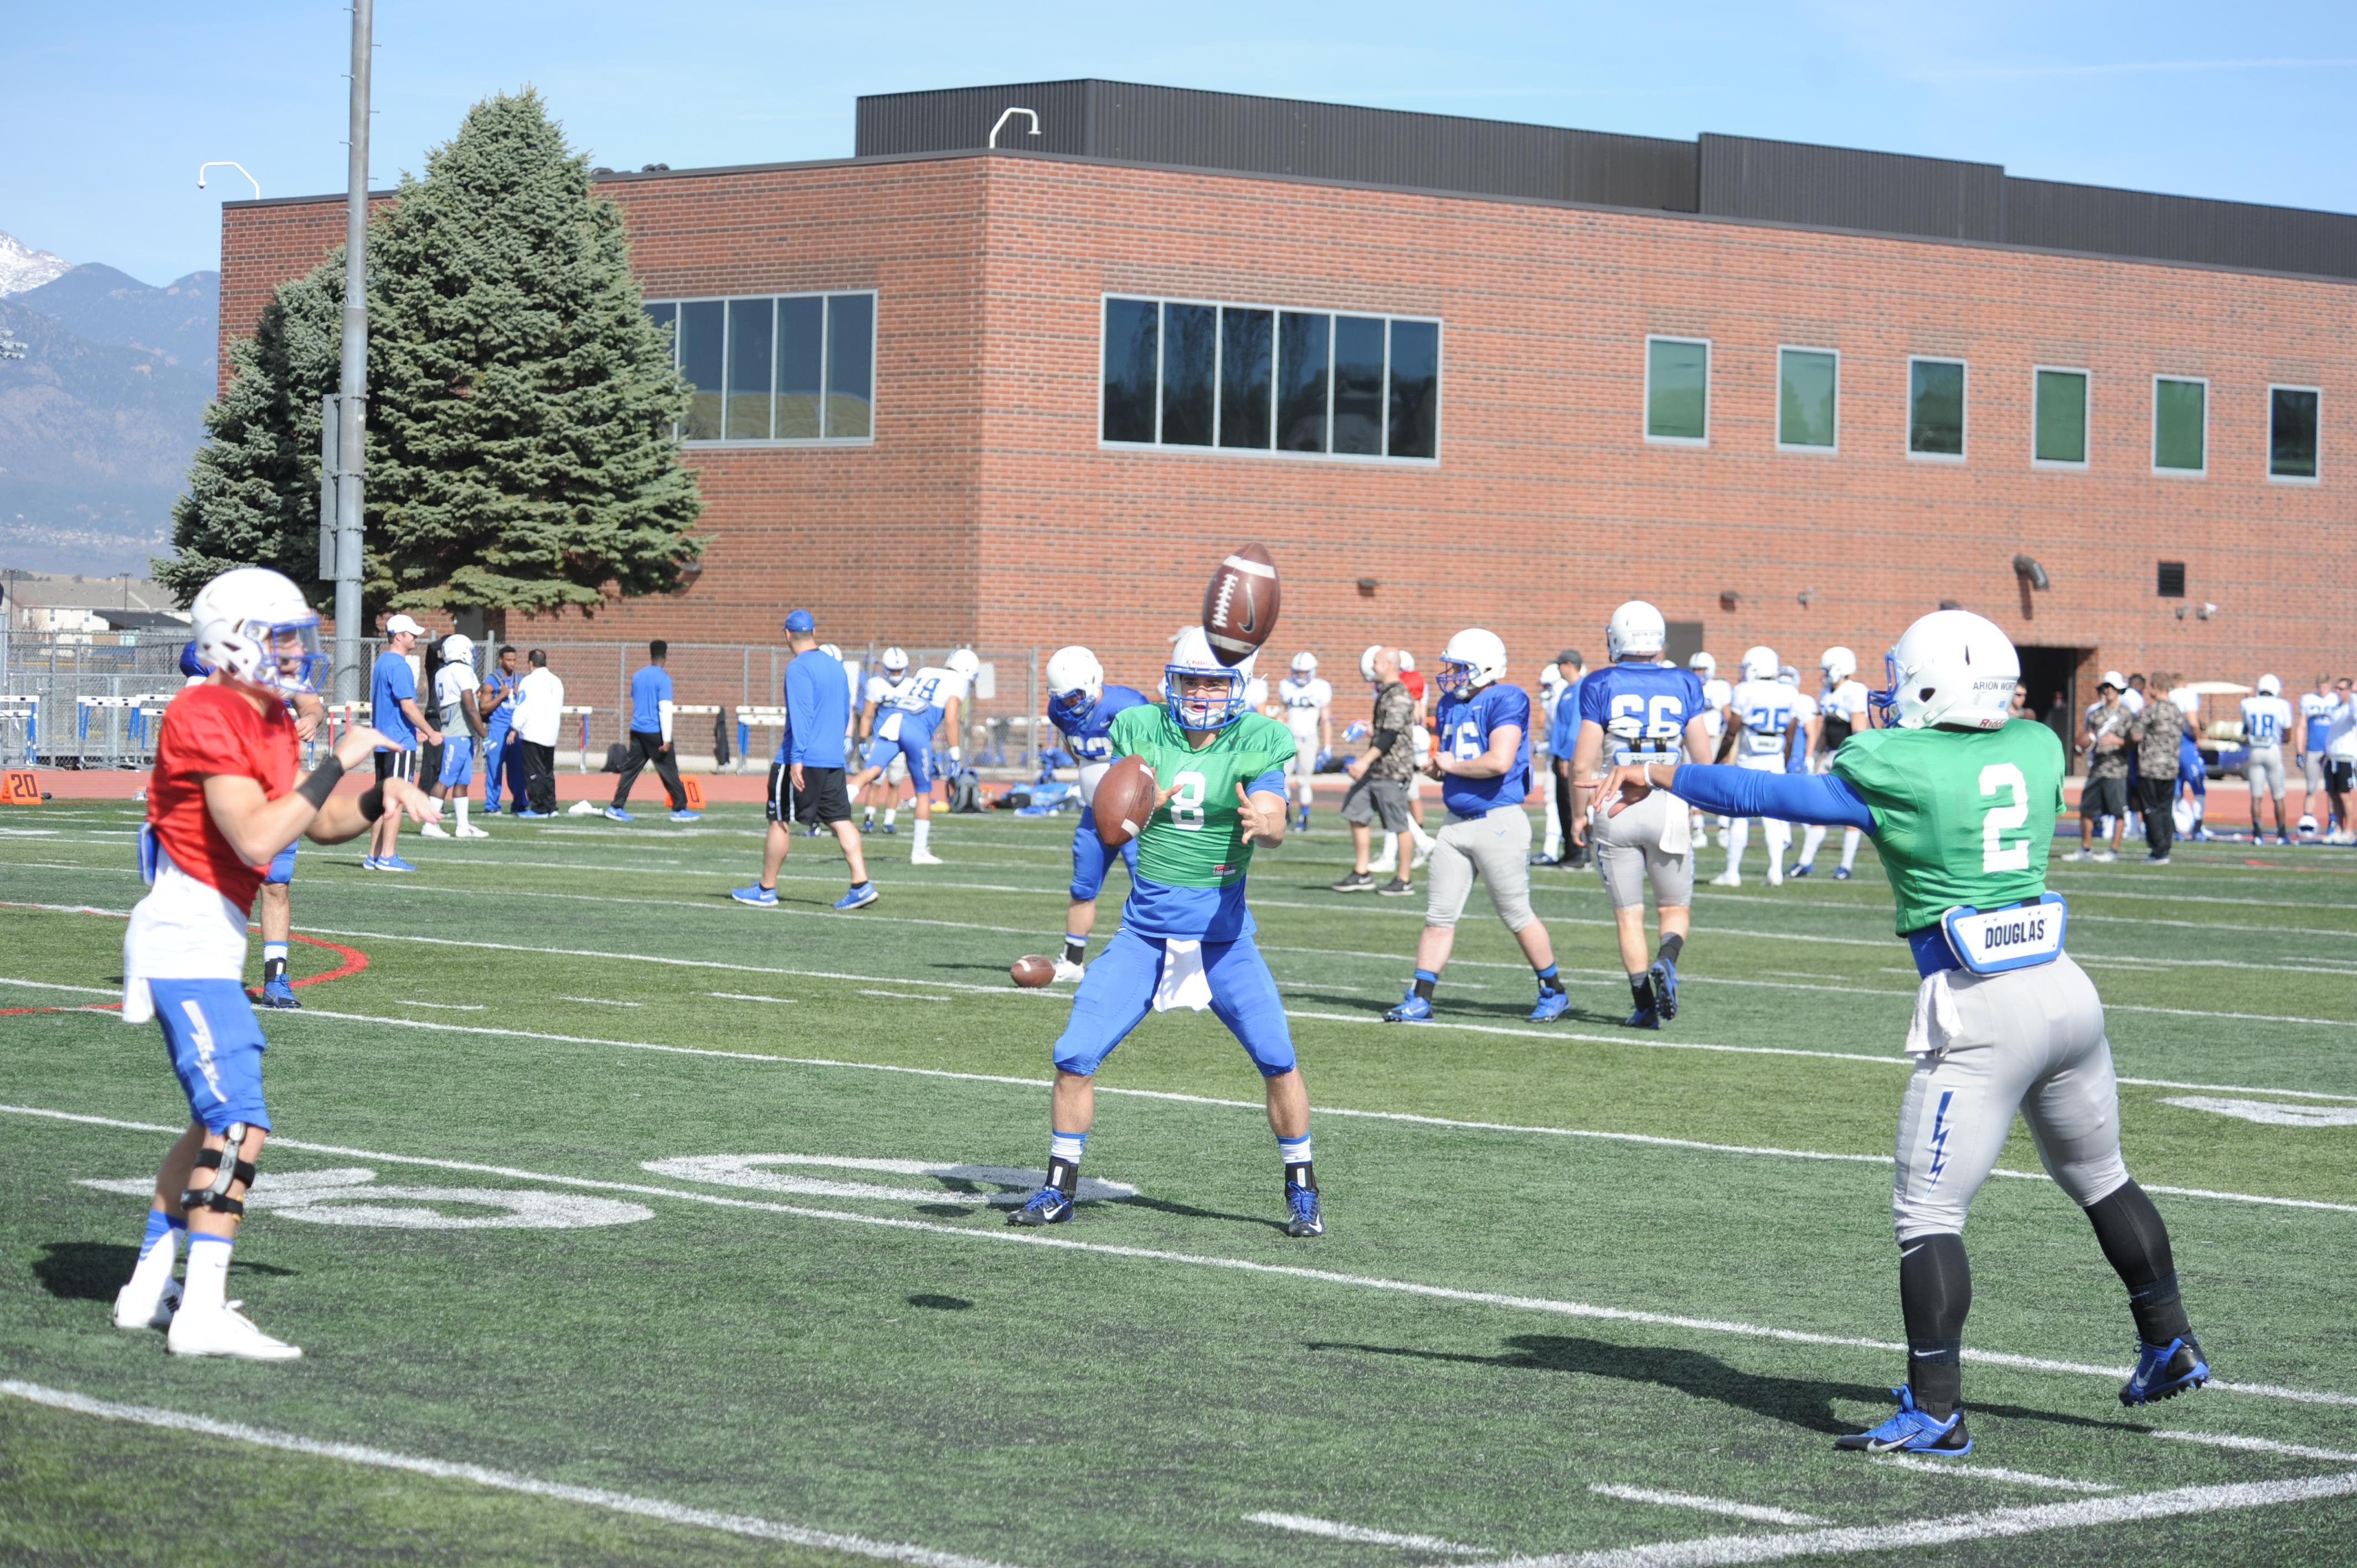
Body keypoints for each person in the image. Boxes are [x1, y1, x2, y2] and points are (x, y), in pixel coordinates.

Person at [1593, 608, 2209, 1456]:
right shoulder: (2034, 745)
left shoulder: (1890, 761)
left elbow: (1769, 793)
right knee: (2102, 1176)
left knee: (1927, 1214)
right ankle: (2169, 1341)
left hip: (1979, 1003)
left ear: (1928, 686)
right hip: (2067, 992)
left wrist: (1658, 774)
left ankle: (1938, 1409)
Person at [113, 567, 438, 1358]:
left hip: (212, 935)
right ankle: (203, 1314)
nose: (296, 650)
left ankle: (149, 1288)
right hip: (184, 930)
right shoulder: (205, 710)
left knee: (205, 1125)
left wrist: (373, 798)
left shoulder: (267, 718)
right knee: (240, 1121)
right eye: (281, 635)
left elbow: (312, 823)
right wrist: (344, 756)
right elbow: (255, 840)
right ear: (235, 640)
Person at [1009, 627, 1321, 1237]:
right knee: (1073, 1055)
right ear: (1170, 683)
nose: (1202, 692)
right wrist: (1134, 807)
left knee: (1278, 1058)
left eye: (1214, 680)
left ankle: (1302, 1189)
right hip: (1144, 935)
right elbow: (1113, 813)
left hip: (1222, 939)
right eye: (1190, 680)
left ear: (1239, 685)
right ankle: (1057, 1188)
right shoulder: (1140, 728)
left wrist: (1268, 820)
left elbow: (1274, 815)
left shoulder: (1261, 738)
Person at [1381, 628, 1570, 1025]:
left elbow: (1499, 762)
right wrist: (1437, 767)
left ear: (1485, 668)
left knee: (1516, 914)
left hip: (1498, 820)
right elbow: (1455, 761)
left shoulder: (1507, 698)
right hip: (1455, 823)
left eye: (1460, 668)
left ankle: (1553, 988)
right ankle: (1422, 996)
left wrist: (1448, 765)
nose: (1451, 675)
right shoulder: (1451, 704)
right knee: (1439, 915)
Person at [1568, 602, 1712, 1028]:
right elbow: (1702, 759)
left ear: (1616, 638)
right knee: (1674, 908)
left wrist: (1580, 816)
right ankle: (1667, 959)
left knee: (1629, 914)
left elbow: (1581, 765)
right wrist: (1699, 805)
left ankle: (1644, 1006)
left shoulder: (1600, 682)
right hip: (1669, 802)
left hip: (1615, 803)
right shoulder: (1685, 682)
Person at [733, 611, 877, 910]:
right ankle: (861, 883)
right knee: (841, 820)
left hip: (799, 758)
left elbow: (801, 715)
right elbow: (843, 713)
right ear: (813, 632)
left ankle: (766, 889)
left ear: (787, 634)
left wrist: (797, 758)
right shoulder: (836, 667)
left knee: (779, 820)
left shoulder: (798, 668)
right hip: (832, 758)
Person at [1042, 644, 1149, 981]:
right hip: (1093, 814)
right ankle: (1073, 962)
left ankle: (1166, 961)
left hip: (1135, 816)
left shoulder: (1127, 706)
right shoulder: (1060, 710)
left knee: (1149, 887)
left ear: (1091, 681)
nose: (1067, 705)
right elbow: (1077, 754)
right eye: (1062, 699)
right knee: (1082, 887)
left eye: (1073, 697)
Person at [846, 647, 977, 865]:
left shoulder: (926, 671)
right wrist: (956, 755)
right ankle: (919, 852)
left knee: (871, 771)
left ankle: (836, 807)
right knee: (924, 792)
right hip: (916, 729)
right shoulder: (959, 682)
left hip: (895, 720)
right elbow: (952, 719)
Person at [1711, 646, 1802, 887]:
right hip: (1775, 757)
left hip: (1749, 758)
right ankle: (1776, 871)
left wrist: (1717, 758)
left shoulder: (1744, 690)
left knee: (1740, 815)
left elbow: (1732, 732)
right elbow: (1791, 736)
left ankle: (1732, 872)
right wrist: (1785, 760)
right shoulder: (1790, 692)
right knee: (1772, 816)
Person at [1331, 646, 1418, 895]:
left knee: (1398, 824)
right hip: (1376, 769)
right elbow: (1385, 729)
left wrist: (1363, 762)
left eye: (1377, 662)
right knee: (1355, 811)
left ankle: (1404, 879)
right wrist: (1370, 728)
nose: (1372, 667)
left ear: (1390, 664)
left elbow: (1390, 736)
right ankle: (1362, 873)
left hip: (1392, 770)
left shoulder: (1399, 694)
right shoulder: (1386, 693)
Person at [364, 613, 441, 871]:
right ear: (399, 636)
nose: (416, 638)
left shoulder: (382, 663)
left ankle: (374, 856)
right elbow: (408, 707)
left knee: (382, 800)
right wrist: (430, 732)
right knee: (394, 801)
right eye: (412, 635)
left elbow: (393, 707)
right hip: (398, 743)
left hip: (384, 741)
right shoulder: (399, 666)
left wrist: (415, 729)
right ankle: (387, 855)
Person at [1794, 646, 1872, 880]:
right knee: (1818, 808)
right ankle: (1805, 861)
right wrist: (1813, 756)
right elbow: (1824, 730)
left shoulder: (1855, 691)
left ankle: (1845, 866)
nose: (1825, 674)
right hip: (1830, 754)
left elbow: (1859, 729)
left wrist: (1858, 761)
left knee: (1850, 812)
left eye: (1828, 669)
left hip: (1848, 755)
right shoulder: (1825, 692)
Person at [608, 639, 696, 823]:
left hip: (637, 730)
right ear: (665, 656)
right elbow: (665, 708)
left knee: (630, 771)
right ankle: (680, 809)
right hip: (655, 732)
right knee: (670, 771)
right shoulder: (663, 679)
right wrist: (667, 738)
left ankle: (616, 806)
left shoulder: (638, 676)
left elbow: (635, 698)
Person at [420, 635, 490, 840]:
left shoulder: (443, 672)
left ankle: (463, 826)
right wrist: (484, 735)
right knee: (446, 779)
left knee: (463, 780)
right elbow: (470, 707)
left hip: (460, 732)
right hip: (458, 734)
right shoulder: (463, 671)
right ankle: (430, 824)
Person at [858, 647, 917, 833]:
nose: (897, 674)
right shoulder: (876, 684)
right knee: (875, 783)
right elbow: (867, 715)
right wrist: (862, 741)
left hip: (901, 743)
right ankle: (869, 819)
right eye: (893, 670)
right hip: (881, 741)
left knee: (895, 783)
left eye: (899, 670)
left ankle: (889, 822)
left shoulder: (911, 686)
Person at [2073, 673, 2130, 862]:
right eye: (2106, 687)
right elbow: (2088, 737)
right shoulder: (2096, 714)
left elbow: (2134, 742)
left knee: (2117, 811)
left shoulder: (2127, 714)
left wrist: (2119, 741)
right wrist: (2082, 747)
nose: (2109, 691)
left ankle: (2113, 850)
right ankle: (2086, 848)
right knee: (2086, 809)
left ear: (2119, 690)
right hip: (2098, 768)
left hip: (2117, 769)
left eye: (2112, 687)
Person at [1541, 649, 1590, 869]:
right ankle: (1570, 851)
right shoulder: (1568, 690)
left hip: (1568, 757)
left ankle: (1579, 852)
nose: (1559, 668)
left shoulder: (1580, 689)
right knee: (1563, 804)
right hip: (1559, 754)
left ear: (1570, 665)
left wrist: (1566, 756)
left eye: (1561, 665)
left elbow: (1575, 726)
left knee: (1572, 805)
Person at [2129, 683, 2186, 863]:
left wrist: (2135, 723)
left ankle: (2158, 850)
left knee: (2150, 809)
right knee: (2166, 808)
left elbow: (2136, 736)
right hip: (2171, 767)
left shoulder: (2151, 709)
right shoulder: (2177, 710)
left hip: (2151, 767)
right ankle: (2166, 847)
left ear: (2155, 686)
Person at [1276, 651, 1333, 832]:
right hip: (1289, 738)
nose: (1301, 676)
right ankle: (1286, 815)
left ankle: (1304, 818)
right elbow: (1281, 714)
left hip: (1309, 738)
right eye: (1298, 672)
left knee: (1303, 781)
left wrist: (1328, 745)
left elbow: (1326, 718)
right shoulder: (1286, 685)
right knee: (1282, 778)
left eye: (1304, 672)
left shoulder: (1321, 687)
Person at [2239, 674, 2296, 845]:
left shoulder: (2247, 704)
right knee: (2278, 796)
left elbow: (2246, 729)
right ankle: (2281, 834)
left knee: (2256, 797)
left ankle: (2257, 835)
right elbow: (2287, 736)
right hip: (2273, 751)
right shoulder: (2283, 705)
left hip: (2255, 751)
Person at [512, 649, 564, 818]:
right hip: (551, 731)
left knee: (534, 771)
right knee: (548, 770)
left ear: (530, 663)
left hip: (534, 731)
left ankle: (539, 807)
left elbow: (523, 707)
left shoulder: (528, 681)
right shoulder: (556, 681)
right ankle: (550, 805)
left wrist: (515, 727)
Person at [1688, 651, 1731, 849]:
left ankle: (1723, 828)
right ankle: (1698, 830)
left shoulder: (1719, 688)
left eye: (1701, 669)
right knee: (1694, 786)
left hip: (1715, 739)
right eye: (1695, 669)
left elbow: (1728, 717)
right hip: (1693, 740)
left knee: (1719, 785)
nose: (1698, 673)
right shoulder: (1688, 687)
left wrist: (1728, 747)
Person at [478, 645, 527, 815]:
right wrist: (500, 696)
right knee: (494, 768)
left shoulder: (521, 680)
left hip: (516, 731)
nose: (512, 663)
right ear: (501, 660)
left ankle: (520, 804)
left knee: (518, 770)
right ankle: (492, 805)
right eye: (508, 660)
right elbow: (483, 709)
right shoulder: (491, 681)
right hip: (497, 729)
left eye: (514, 660)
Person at [2298, 673, 2343, 838]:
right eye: (2320, 685)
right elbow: (2302, 726)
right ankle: (2308, 820)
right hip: (2313, 748)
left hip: (2331, 750)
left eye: (2325, 685)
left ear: (2329, 686)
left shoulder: (2336, 700)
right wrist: (2299, 750)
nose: (2322, 689)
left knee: (2332, 788)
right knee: (2311, 788)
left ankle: (2333, 821)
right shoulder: (2308, 700)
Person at [2322, 684, 2356, 845]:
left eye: (2342, 689)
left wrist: (2354, 695)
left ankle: (2349, 831)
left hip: (2345, 758)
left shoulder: (2352, 707)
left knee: (2344, 795)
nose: (2338, 692)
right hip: (2332, 756)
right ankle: (2339, 829)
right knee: (2333, 795)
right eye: (2337, 688)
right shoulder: (2336, 708)